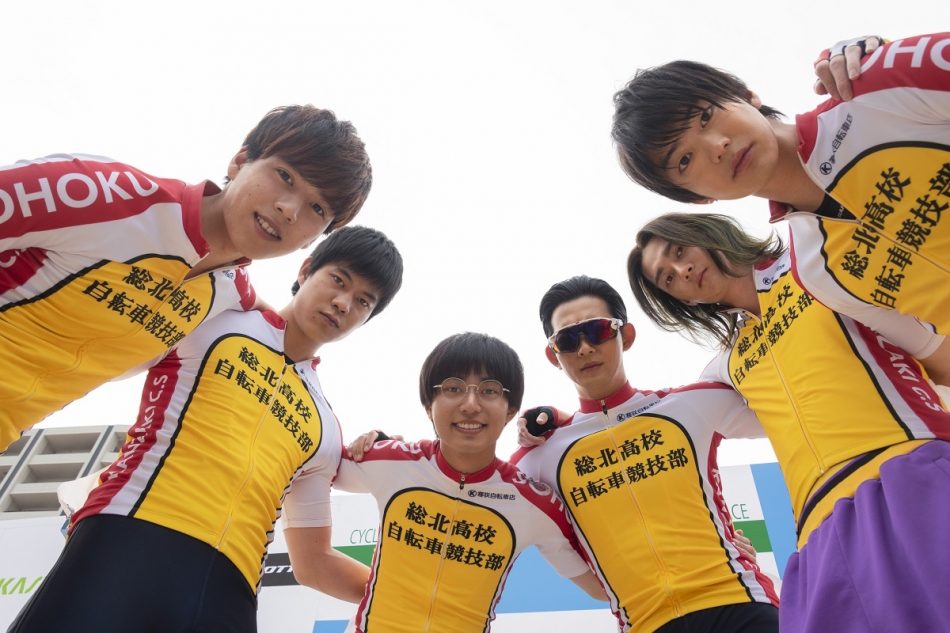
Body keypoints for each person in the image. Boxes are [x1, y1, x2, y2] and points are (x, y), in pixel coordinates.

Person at [8, 225, 402, 632]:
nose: (342, 303)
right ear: (305, 269)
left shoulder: (325, 429)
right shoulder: (213, 315)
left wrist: (419, 600)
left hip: (230, 589)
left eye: (363, 301)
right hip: (125, 536)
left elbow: (314, 562)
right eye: (338, 280)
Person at [628, 212, 950, 633]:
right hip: (822, 529)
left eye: (679, 251)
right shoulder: (725, 366)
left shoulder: (814, 264)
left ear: (707, 234)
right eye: (668, 279)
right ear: (682, 301)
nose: (682, 270)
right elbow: (657, 422)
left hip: (908, 474)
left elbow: (935, 348)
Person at [0, 104, 372, 451]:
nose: (289, 210)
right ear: (241, 161)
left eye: (317, 208)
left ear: (315, 237)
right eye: (285, 176)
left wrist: (357, 453)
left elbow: (287, 336)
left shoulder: (229, 295)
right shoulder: (105, 193)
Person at [611, 33, 950, 354]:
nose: (717, 146)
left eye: (705, 116)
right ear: (697, 199)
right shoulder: (817, 272)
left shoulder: (874, 88)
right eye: (685, 160)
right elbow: (939, 357)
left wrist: (890, 56)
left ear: (746, 95)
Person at [508, 275, 778, 633]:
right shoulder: (537, 460)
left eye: (598, 330)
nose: (585, 348)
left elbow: (789, 410)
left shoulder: (690, 404)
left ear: (627, 335)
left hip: (740, 605)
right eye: (568, 339)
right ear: (553, 355)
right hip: (646, 622)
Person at [337, 332, 606, 633]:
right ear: (428, 404)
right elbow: (309, 464)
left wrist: (570, 426)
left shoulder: (534, 502)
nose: (470, 405)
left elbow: (603, 587)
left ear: (510, 411)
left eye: (489, 391)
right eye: (453, 388)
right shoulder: (388, 461)